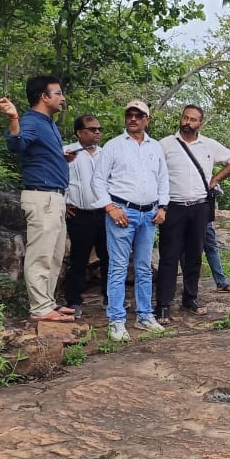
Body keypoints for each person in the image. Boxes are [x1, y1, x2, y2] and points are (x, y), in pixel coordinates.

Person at [0, 76, 73, 323]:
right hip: (41, 197)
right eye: (58, 93)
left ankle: (48, 302)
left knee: (55, 254)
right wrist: (13, 118)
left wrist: (59, 157)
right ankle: (40, 309)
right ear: (44, 96)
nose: (62, 98)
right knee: (41, 253)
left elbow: (36, 151)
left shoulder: (49, 123)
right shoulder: (31, 120)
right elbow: (16, 143)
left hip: (54, 197)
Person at [90, 100, 170, 342]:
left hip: (149, 214)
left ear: (147, 119)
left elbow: (163, 178)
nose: (133, 119)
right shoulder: (113, 146)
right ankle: (116, 319)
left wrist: (163, 206)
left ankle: (144, 315)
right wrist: (110, 207)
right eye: (130, 115)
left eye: (139, 115)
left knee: (144, 267)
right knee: (118, 266)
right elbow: (98, 180)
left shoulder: (155, 147)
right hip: (122, 212)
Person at [157, 104, 230, 318]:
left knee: (195, 255)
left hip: (200, 206)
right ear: (180, 119)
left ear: (200, 124)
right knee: (169, 256)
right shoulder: (165, 145)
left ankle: (190, 298)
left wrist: (215, 179)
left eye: (193, 119)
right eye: (185, 118)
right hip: (173, 206)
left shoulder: (209, 145)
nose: (188, 122)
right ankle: (163, 304)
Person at [63, 115, 108, 318]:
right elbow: (59, 176)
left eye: (99, 129)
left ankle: (110, 298)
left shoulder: (106, 154)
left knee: (109, 257)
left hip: (104, 213)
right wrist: (62, 202)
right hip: (79, 214)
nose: (97, 132)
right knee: (78, 259)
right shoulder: (68, 152)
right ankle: (74, 301)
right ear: (80, 133)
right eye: (92, 129)